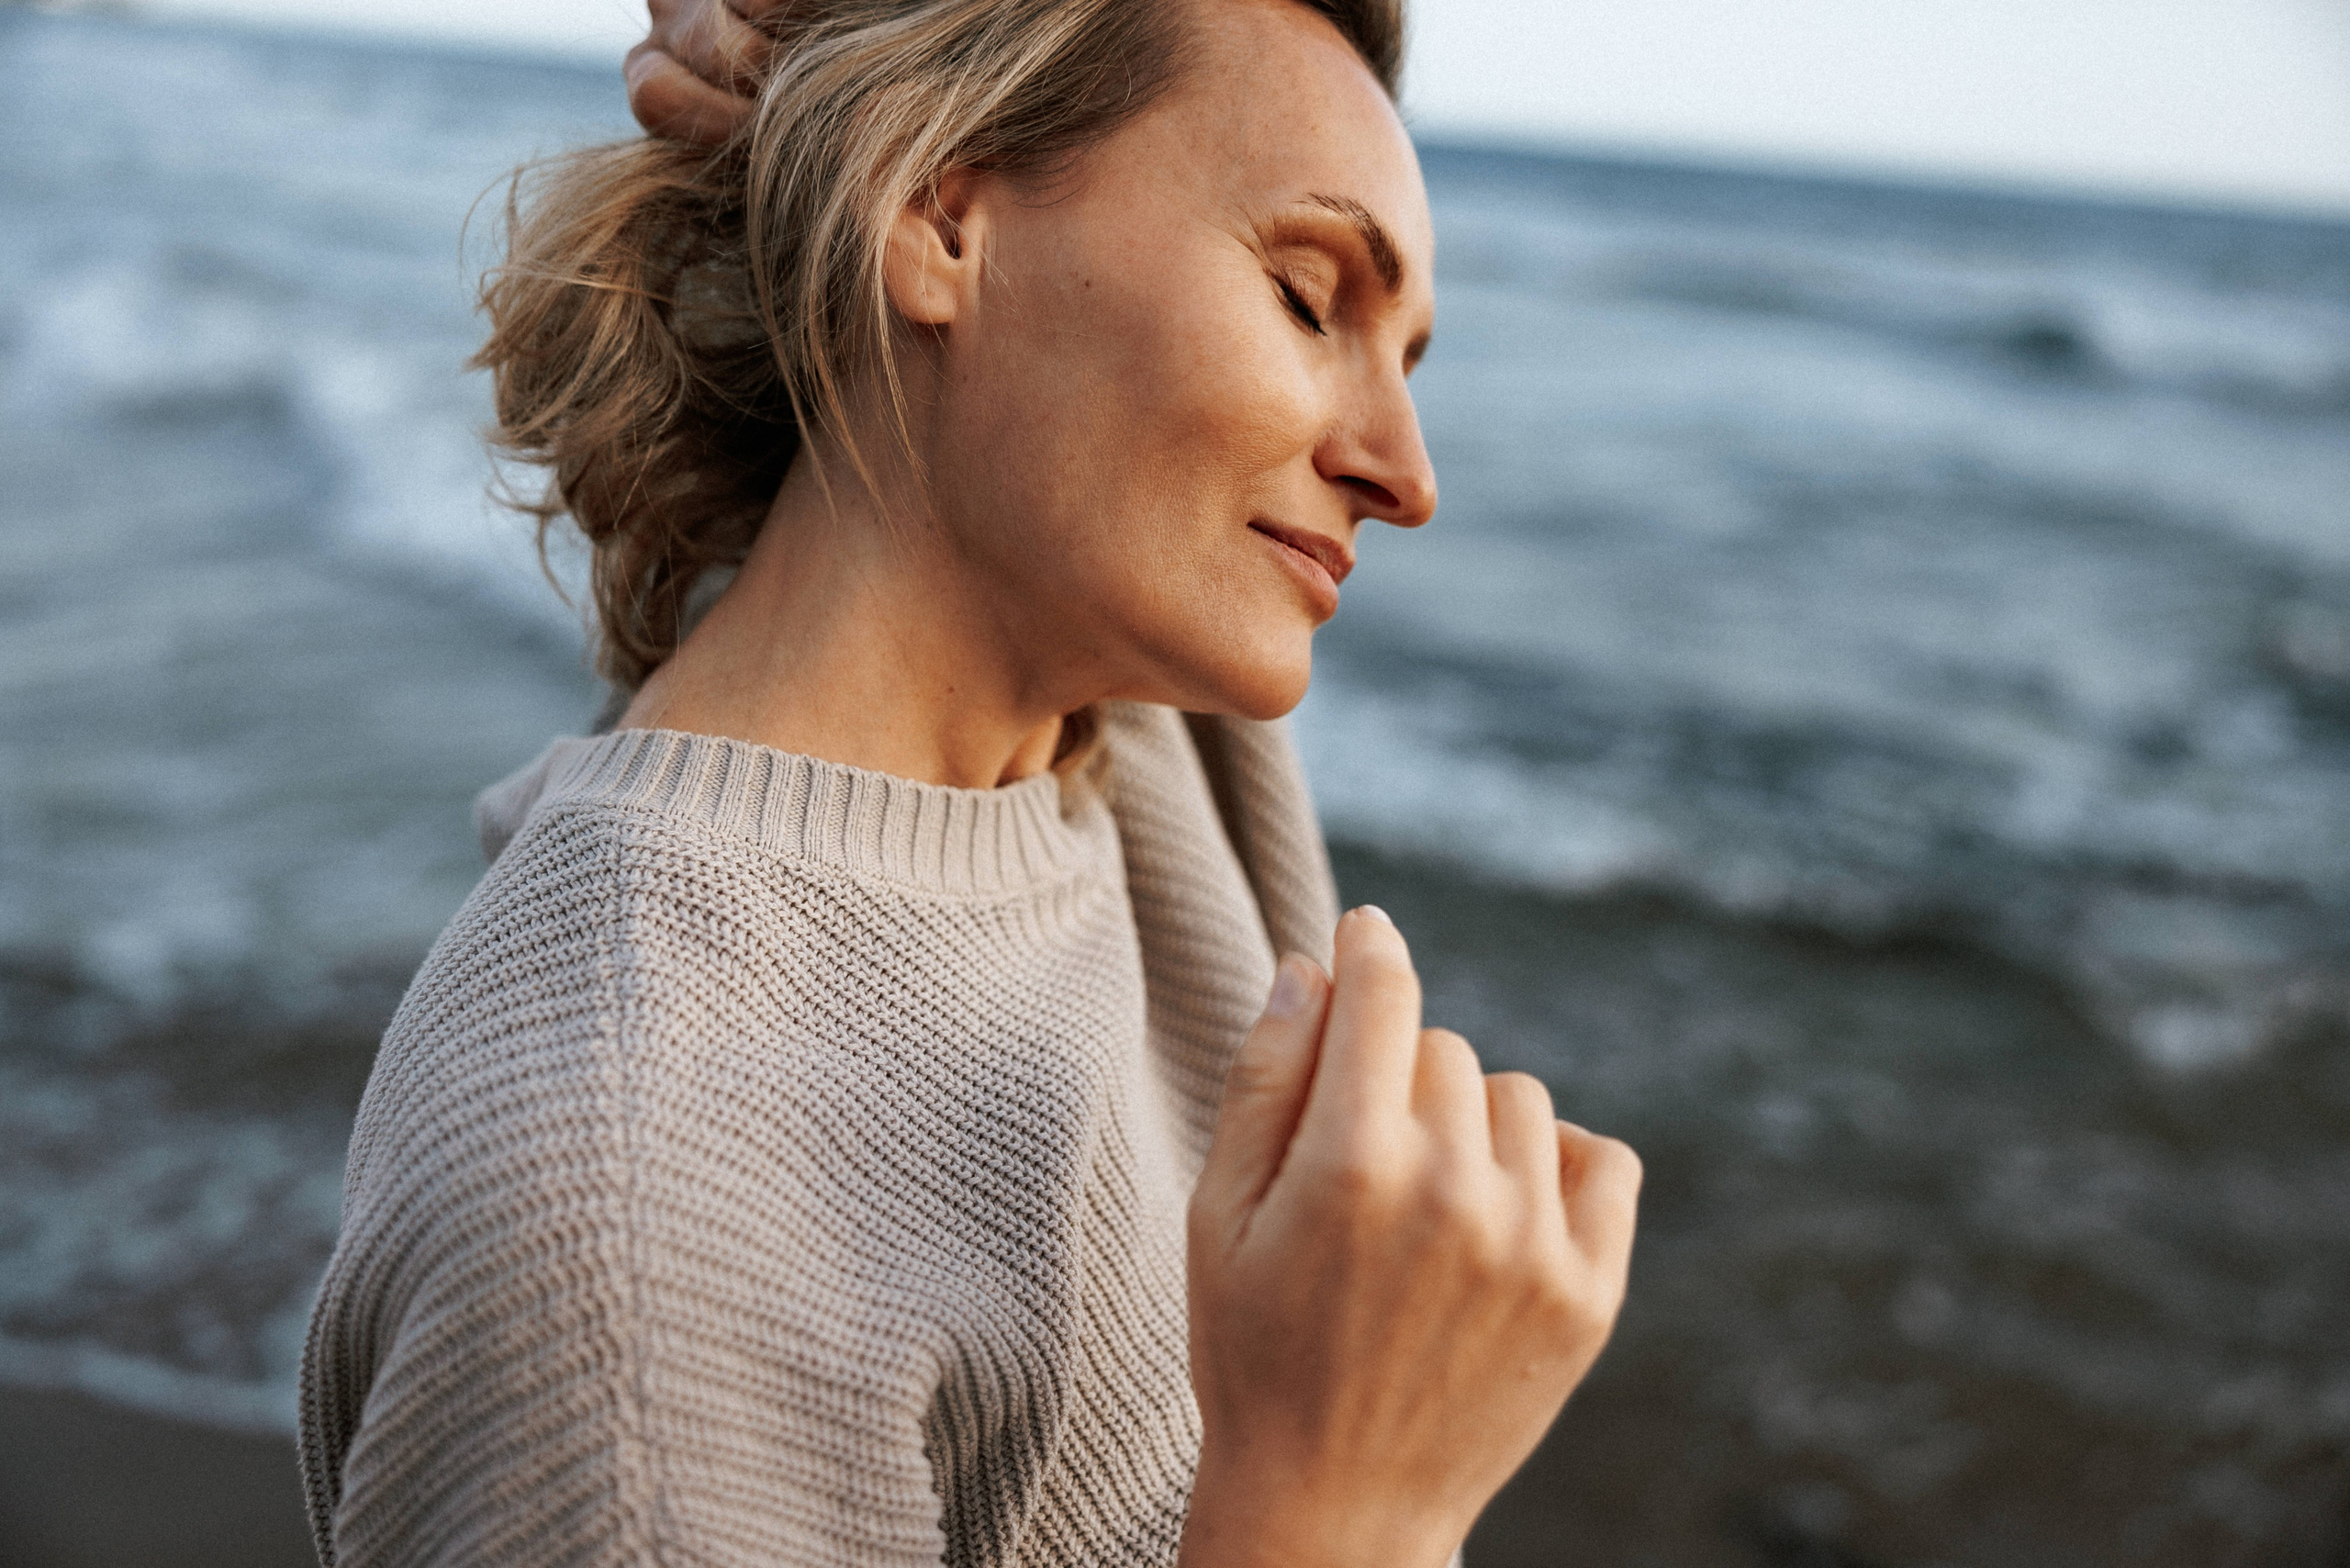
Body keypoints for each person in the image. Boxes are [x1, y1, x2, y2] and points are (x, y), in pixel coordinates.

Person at [297, 1, 1642, 1563]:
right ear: (938, 212)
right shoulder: (631, 1238)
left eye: (1404, 360)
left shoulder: (1108, 707)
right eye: (1304, 296)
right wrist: (1344, 1506)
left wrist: (812, 88)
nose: (1408, 473)